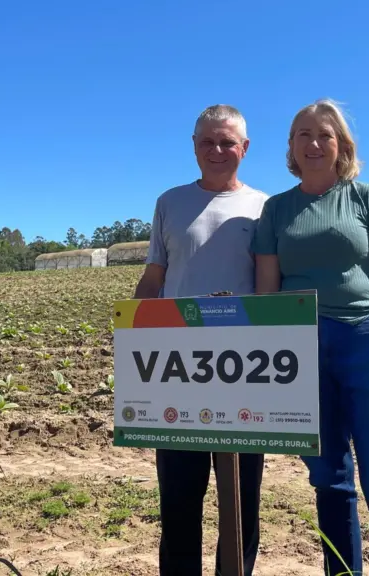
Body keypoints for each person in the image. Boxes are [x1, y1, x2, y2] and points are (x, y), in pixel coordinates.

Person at [253, 99, 369, 576]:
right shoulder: (275, 211)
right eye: (303, 135)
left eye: (324, 134)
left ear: (341, 145)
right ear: (291, 148)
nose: (314, 143)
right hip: (301, 353)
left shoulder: (367, 199)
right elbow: (266, 296)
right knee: (329, 483)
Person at [134, 104, 270, 576]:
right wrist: (134, 344)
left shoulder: (264, 207)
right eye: (207, 142)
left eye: (227, 142)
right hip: (179, 369)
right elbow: (154, 279)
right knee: (177, 498)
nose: (217, 151)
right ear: (194, 146)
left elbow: (271, 289)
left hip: (245, 369)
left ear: (245, 148)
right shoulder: (169, 202)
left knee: (242, 500)